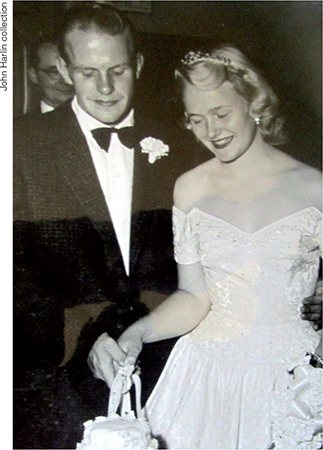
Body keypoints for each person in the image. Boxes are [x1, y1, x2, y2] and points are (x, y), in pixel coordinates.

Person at [89, 45, 322, 449]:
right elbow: (194, 297)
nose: (211, 131)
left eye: (221, 113)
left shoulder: (315, 189)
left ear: (254, 101)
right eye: (196, 119)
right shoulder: (191, 187)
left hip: (294, 374)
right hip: (204, 375)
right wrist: (137, 334)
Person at [13, 3, 210, 448]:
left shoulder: (184, 145)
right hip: (60, 376)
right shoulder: (20, 145)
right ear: (64, 68)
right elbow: (14, 268)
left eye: (117, 70)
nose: (105, 88)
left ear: (137, 64)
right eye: (87, 72)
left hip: (168, 367)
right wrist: (88, 333)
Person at [27, 37, 74, 113]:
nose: (65, 80)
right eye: (54, 72)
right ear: (33, 75)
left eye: (69, 70)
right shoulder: (22, 124)